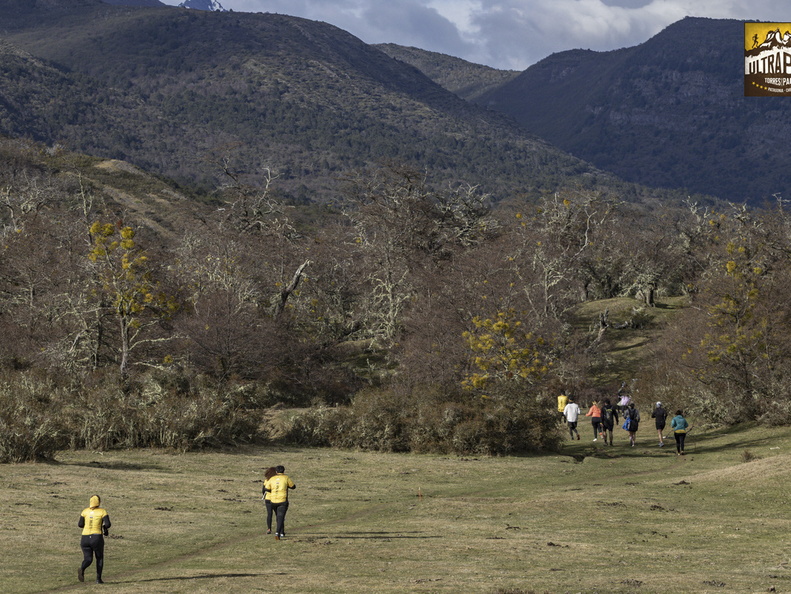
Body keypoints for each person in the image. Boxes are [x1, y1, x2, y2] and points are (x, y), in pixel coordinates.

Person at [77, 495, 111, 584]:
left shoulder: (85, 511)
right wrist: (103, 527)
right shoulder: (102, 511)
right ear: (99, 502)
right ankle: (98, 579)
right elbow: (108, 524)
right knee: (99, 558)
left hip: (85, 537)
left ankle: (82, 568)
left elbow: (80, 524)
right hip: (96, 537)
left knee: (88, 559)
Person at [264, 465, 296, 540]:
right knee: (280, 516)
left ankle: (280, 532)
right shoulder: (286, 478)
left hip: (273, 500)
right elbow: (293, 486)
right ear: (284, 471)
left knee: (277, 516)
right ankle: (278, 532)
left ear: (276, 471)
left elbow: (266, 488)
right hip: (282, 500)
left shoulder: (272, 479)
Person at [261, 466, 277, 534]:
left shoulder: (266, 480)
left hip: (268, 499)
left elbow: (263, 490)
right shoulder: (276, 480)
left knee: (269, 514)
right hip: (276, 499)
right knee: (278, 514)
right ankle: (279, 528)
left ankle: (269, 528)